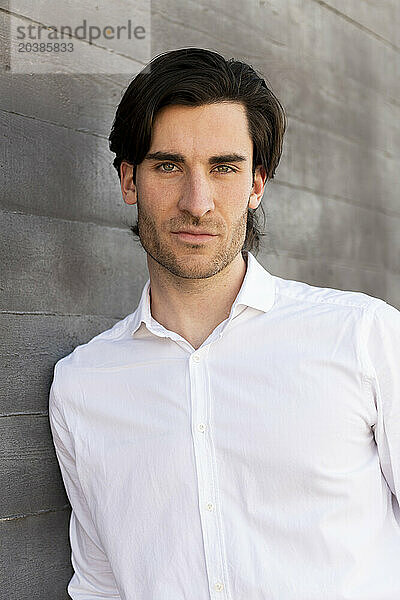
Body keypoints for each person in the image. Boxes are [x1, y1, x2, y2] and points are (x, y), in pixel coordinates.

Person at [49, 47, 400, 600]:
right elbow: (100, 585)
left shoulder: (362, 337)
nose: (198, 201)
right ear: (128, 182)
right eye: (168, 165)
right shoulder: (81, 386)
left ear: (256, 185)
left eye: (224, 167)